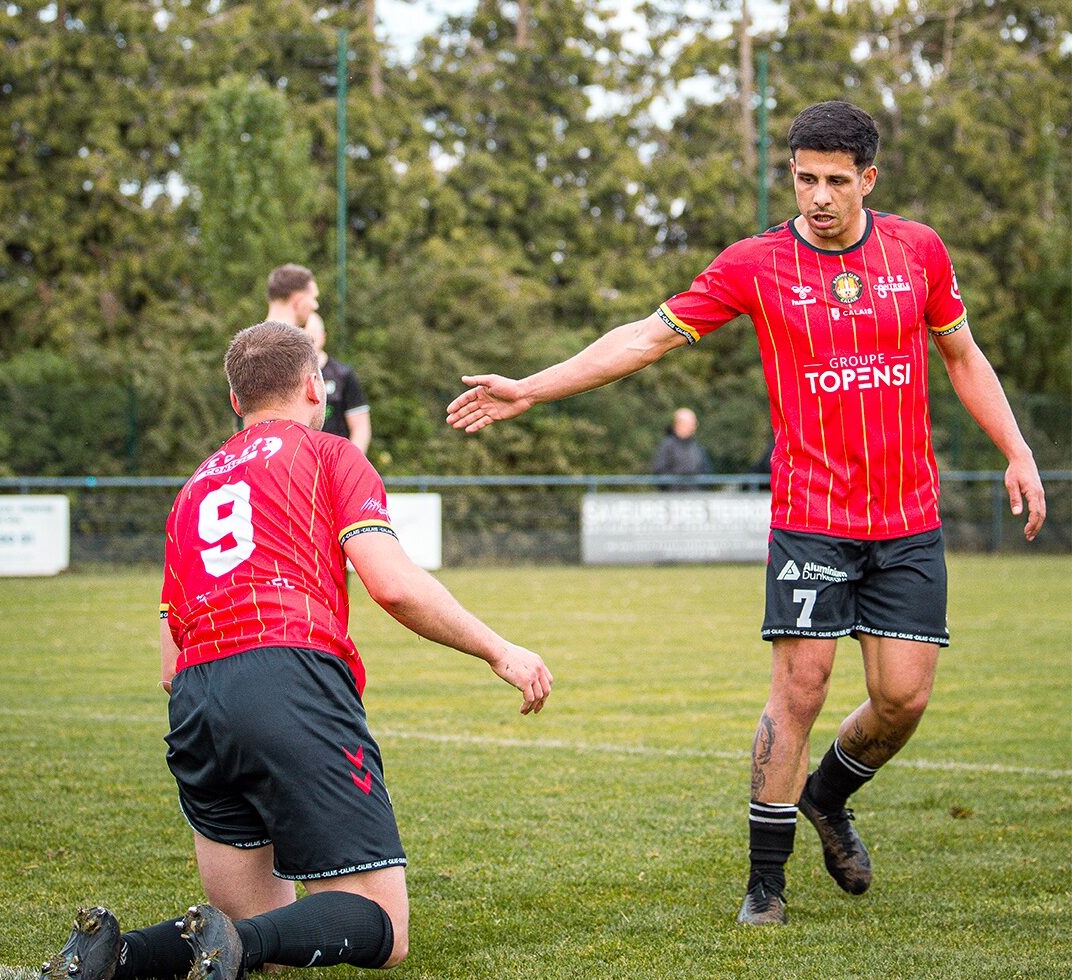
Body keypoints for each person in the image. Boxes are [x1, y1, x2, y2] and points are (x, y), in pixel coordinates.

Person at [445, 101, 1045, 926]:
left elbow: (962, 353)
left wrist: (1016, 449)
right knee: (800, 688)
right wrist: (532, 387)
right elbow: (644, 339)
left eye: (838, 180)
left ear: (869, 178)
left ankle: (827, 796)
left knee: (902, 698)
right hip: (811, 513)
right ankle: (766, 884)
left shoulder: (918, 251)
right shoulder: (756, 265)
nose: (820, 196)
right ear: (791, 174)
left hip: (907, 516)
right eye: (806, 178)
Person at [40, 321, 552, 980]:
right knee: (382, 927)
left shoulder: (192, 490)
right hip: (289, 675)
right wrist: (499, 651)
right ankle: (214, 946)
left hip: (196, 701)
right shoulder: (329, 453)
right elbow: (392, 585)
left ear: (235, 401)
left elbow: (169, 666)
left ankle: (121, 956)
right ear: (316, 386)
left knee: (256, 943)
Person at [304, 311, 372, 454]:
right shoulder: (288, 377)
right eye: (304, 338)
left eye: (312, 338)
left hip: (335, 459)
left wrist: (350, 463)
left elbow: (360, 427)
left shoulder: (343, 374)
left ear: (323, 337)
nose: (309, 344)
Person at [651, 407, 712, 489]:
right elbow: (659, 471)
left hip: (695, 497)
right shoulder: (667, 445)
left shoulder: (697, 447)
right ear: (680, 424)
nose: (695, 427)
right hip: (673, 498)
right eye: (692, 423)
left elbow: (706, 470)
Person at [265, 263, 319, 328]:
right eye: (313, 298)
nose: (315, 306)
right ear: (298, 300)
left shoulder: (252, 336)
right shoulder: (293, 337)